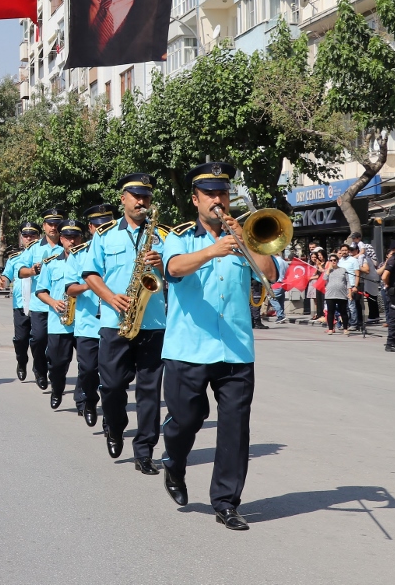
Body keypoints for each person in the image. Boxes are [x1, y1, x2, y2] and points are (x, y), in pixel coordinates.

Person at [159, 162, 281, 531]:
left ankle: (226, 501)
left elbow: (270, 274)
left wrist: (243, 240)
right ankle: (174, 463)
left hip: (236, 348)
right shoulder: (180, 236)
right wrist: (214, 250)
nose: (217, 200)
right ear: (195, 199)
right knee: (186, 420)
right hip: (189, 348)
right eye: (210, 193)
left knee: (235, 428)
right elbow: (174, 268)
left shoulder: (245, 235)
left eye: (223, 193)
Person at [81, 173, 168, 474]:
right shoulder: (104, 235)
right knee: (114, 385)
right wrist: (110, 297)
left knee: (149, 391)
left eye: (146, 196)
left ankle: (144, 451)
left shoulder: (164, 235)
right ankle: (115, 426)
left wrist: (164, 267)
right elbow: (91, 274)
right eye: (136, 195)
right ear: (123, 198)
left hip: (154, 322)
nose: (142, 201)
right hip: (115, 322)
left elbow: (179, 277)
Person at [64, 203, 118, 427]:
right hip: (87, 324)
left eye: (107, 224)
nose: (103, 228)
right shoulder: (78, 254)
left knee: (111, 377)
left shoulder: (118, 247)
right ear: (91, 228)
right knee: (87, 370)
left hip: (113, 322)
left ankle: (110, 419)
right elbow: (69, 288)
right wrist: (90, 285)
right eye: (98, 225)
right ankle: (88, 401)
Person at [35, 218, 86, 411]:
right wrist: (53, 302)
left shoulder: (90, 261)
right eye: (67, 237)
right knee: (56, 365)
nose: (71, 241)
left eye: (75, 237)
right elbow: (40, 291)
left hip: (84, 322)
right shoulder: (51, 263)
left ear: (81, 238)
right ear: (61, 238)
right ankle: (57, 389)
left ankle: (82, 400)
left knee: (87, 366)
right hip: (59, 322)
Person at [15, 208, 66, 389]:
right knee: (38, 339)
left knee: (57, 346)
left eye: (57, 224)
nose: (54, 227)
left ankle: (55, 374)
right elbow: (20, 271)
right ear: (44, 226)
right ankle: (39, 369)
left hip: (62, 305)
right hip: (40, 304)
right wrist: (32, 270)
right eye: (50, 224)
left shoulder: (67, 245)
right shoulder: (33, 248)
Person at [1, 221, 41, 382]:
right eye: (26, 235)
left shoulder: (45, 255)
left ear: (39, 236)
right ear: (21, 238)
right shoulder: (14, 258)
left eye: (32, 235)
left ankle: (39, 369)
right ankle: (21, 362)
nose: (29, 238)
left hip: (40, 304)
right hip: (20, 305)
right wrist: (3, 281)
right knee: (21, 339)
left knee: (39, 340)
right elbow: (6, 276)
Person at [322, 254, 350, 334]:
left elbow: (347, 281)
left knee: (343, 312)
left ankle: (345, 328)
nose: (333, 262)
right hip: (330, 294)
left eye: (334, 260)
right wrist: (328, 270)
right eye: (331, 260)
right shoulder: (328, 270)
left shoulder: (343, 270)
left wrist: (349, 292)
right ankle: (330, 328)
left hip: (341, 294)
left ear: (337, 261)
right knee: (330, 312)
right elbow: (324, 279)